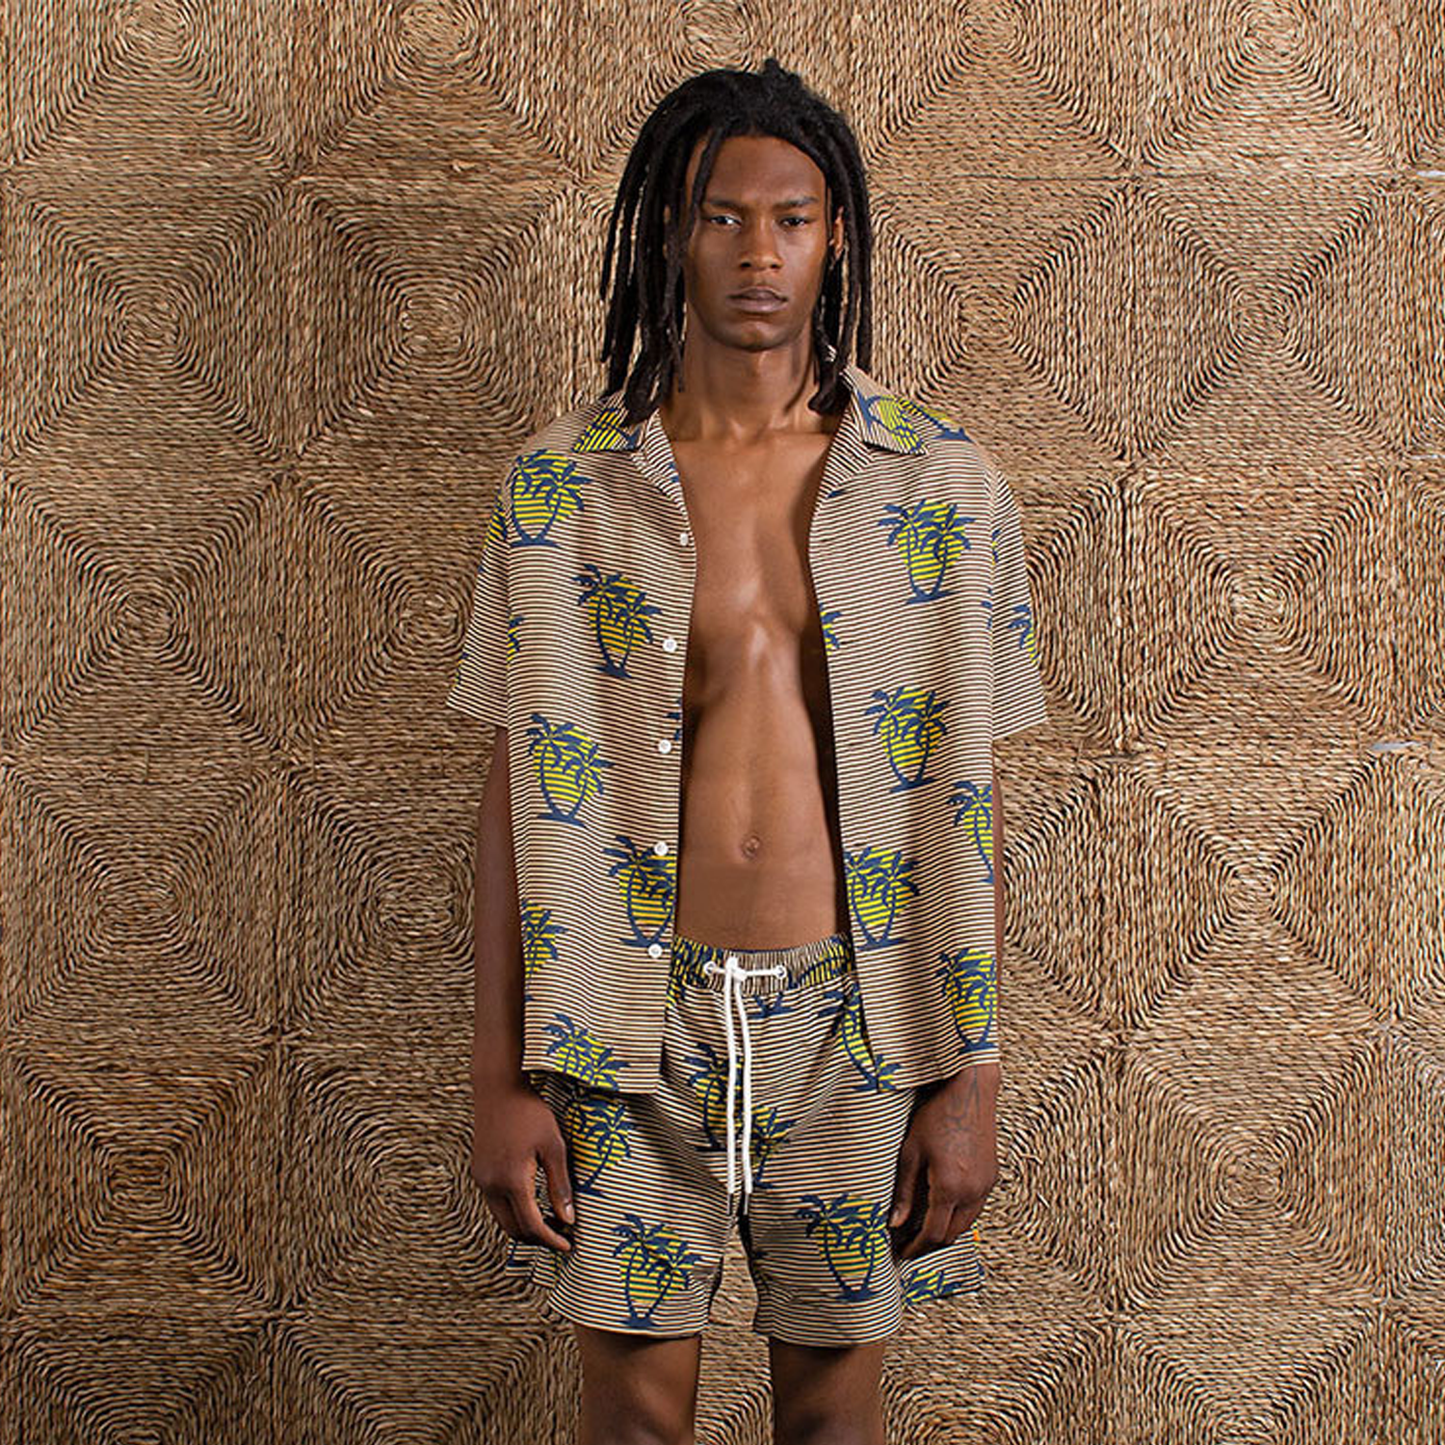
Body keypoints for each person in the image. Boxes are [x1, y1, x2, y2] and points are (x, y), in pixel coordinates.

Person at [447, 57, 1049, 1445]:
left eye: (792, 218)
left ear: (836, 237)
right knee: (632, 1420)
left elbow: (969, 799)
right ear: (670, 231)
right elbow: (514, 800)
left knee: (834, 1417)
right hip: (623, 1023)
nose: (758, 253)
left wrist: (970, 1077)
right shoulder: (562, 488)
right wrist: (498, 1077)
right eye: (721, 216)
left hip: (857, 1020)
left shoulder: (943, 484)